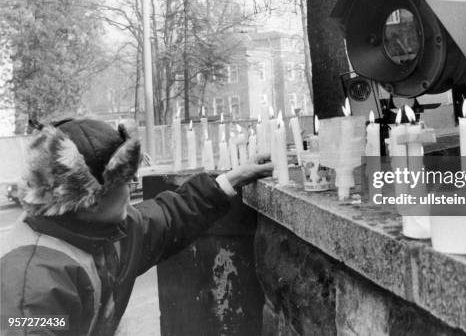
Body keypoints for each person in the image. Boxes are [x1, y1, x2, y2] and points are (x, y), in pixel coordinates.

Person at [0, 118, 273, 336]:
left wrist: (231, 179)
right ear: (91, 199)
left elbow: (168, 217)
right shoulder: (31, 290)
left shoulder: (102, 230)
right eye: (125, 183)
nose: (132, 191)